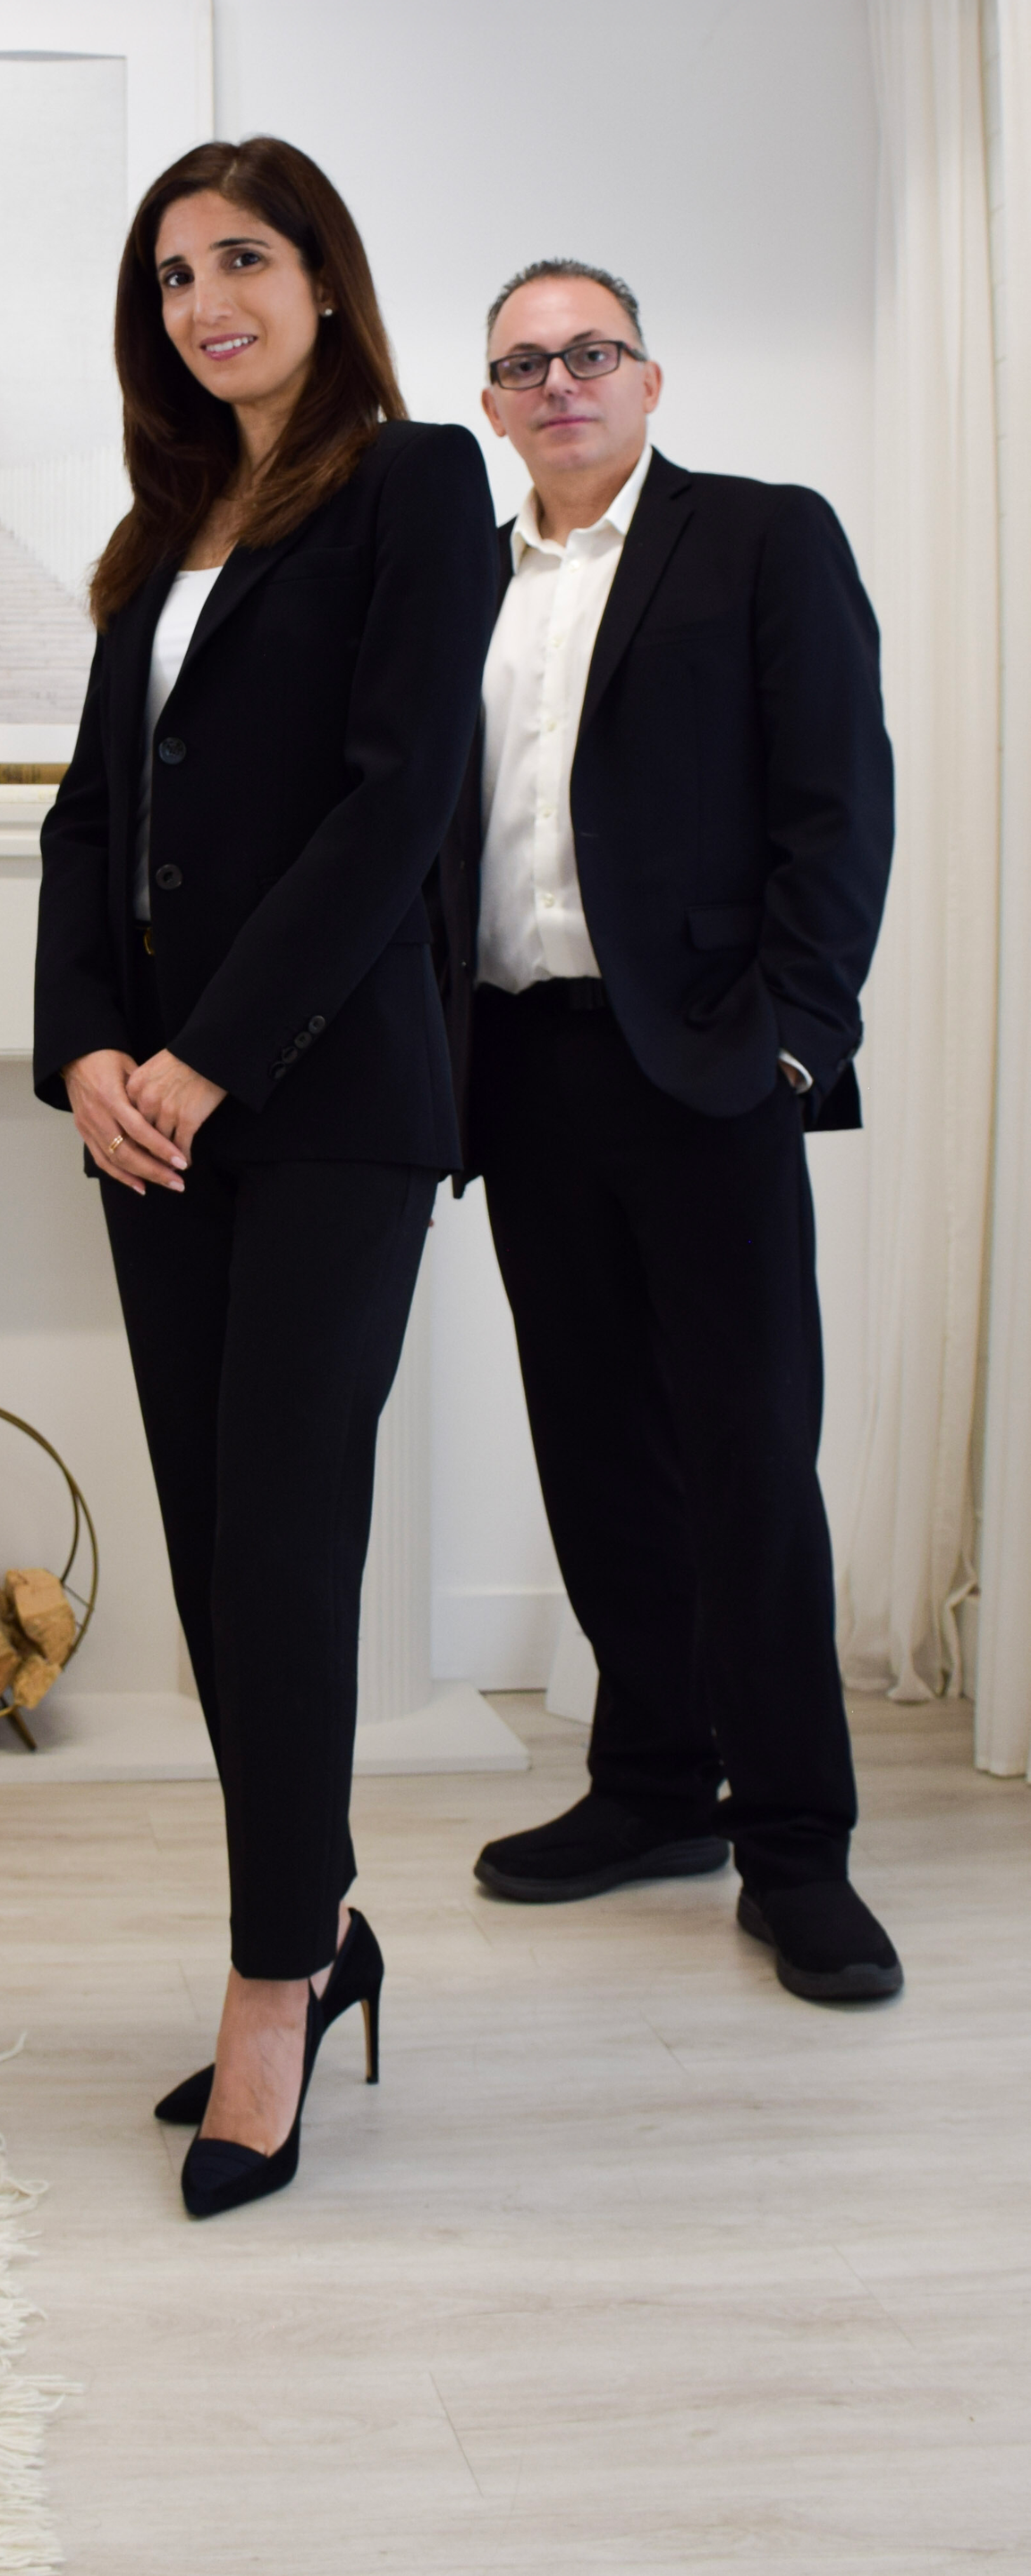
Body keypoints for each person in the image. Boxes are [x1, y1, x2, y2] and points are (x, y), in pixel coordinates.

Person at [34, 139, 494, 2218]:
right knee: (220, 1551)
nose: (204, 300)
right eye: (170, 273)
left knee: (285, 1544)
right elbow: (86, 827)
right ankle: (316, 1927)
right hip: (152, 1113)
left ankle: (261, 1989)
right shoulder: (159, 533)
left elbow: (394, 807)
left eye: (241, 259)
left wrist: (207, 1058)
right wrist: (85, 1053)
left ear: (322, 280)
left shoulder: (411, 484)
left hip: (320, 1098)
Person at [435, 260, 897, 2002]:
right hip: (520, 1066)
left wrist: (792, 1042)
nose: (557, 381)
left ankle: (796, 1849)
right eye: (522, 363)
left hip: (706, 1068)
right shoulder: (459, 583)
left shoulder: (760, 538)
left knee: (748, 1460)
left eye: (589, 352)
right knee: (597, 1450)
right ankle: (647, 1788)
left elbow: (836, 804)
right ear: (491, 403)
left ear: (647, 377)